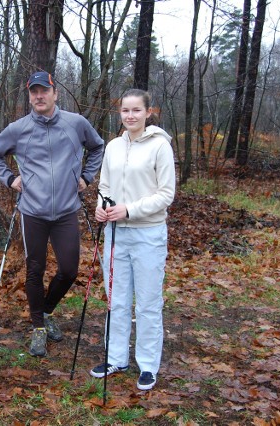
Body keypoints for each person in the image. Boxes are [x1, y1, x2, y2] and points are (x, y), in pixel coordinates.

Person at [0, 71, 104, 357]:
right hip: (32, 211)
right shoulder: (19, 128)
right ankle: (38, 326)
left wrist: (87, 178)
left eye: (44, 91)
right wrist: (10, 179)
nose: (39, 96)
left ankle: (46, 310)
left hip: (66, 210)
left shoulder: (76, 124)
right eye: (33, 92)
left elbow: (98, 146)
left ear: (55, 93)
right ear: (29, 96)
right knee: (35, 269)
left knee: (68, 270)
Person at [89, 88, 175, 391]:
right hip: (115, 233)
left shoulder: (160, 146)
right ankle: (116, 358)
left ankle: (148, 366)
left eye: (136, 110)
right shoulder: (113, 146)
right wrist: (102, 208)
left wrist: (129, 210)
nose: (130, 116)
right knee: (117, 299)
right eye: (125, 111)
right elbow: (105, 184)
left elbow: (166, 194)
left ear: (148, 112)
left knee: (148, 303)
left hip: (148, 233)